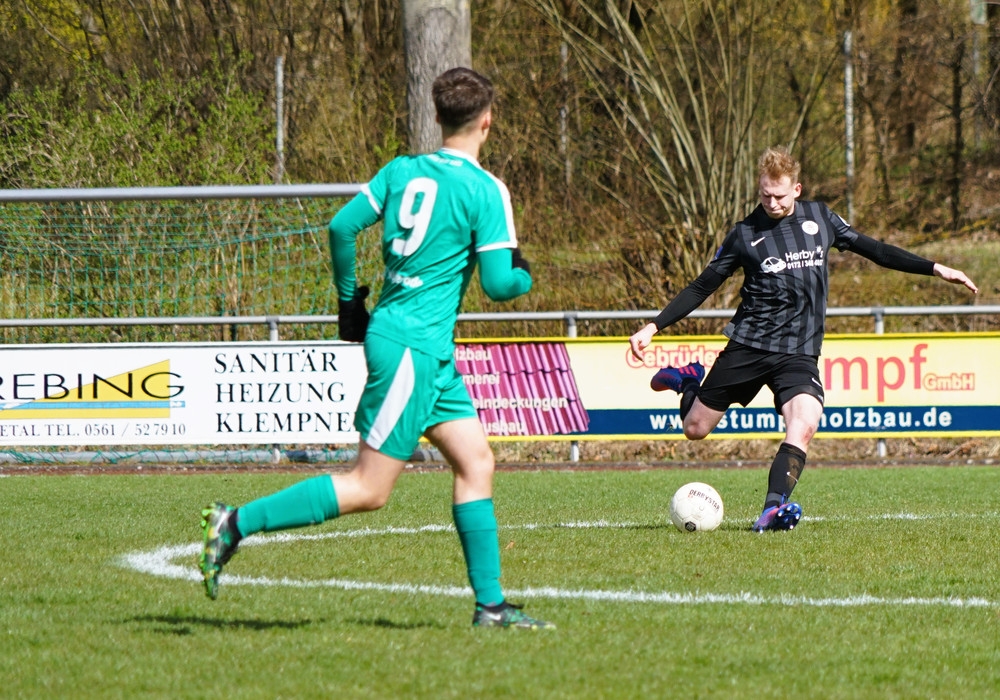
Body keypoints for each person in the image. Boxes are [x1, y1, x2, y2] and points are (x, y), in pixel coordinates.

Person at [199, 67, 553, 629]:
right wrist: (525, 273)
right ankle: (234, 523)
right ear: (487, 121)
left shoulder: (401, 170)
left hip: (420, 348)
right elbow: (499, 285)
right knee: (369, 487)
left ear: (437, 116)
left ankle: (490, 606)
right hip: (414, 350)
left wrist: (348, 303)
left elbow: (341, 227)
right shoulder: (486, 190)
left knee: (476, 461)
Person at [629, 146, 978, 532]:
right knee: (695, 429)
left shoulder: (820, 218)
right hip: (750, 345)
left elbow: (876, 250)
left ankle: (771, 511)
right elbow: (702, 286)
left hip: (798, 351)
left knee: (805, 423)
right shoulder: (744, 234)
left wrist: (935, 268)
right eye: (765, 195)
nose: (772, 203)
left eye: (779, 195)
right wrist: (653, 326)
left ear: (796, 189)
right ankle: (689, 381)